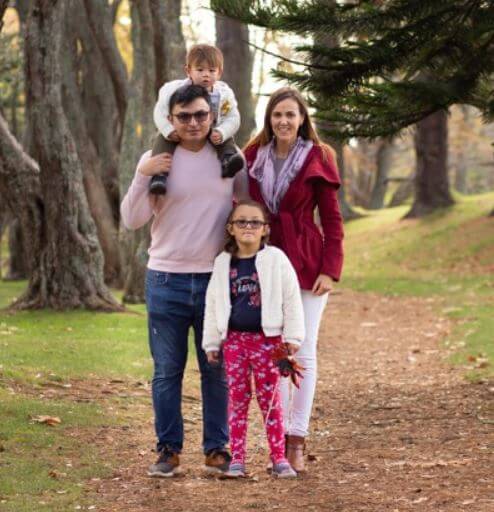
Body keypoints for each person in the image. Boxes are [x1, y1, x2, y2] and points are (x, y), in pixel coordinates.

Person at [120, 84, 248, 478]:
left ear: (212, 116)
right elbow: (131, 219)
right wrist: (143, 176)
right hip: (165, 279)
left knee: (216, 369)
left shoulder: (230, 159)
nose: (193, 123)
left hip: (215, 281)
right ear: (171, 121)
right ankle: (168, 450)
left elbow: (245, 214)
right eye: (184, 117)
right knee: (167, 370)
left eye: (200, 115)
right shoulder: (157, 158)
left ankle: (217, 450)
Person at [243, 87, 344, 473]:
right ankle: (277, 439)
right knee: (274, 352)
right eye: (277, 114)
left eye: (291, 114)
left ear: (302, 119)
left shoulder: (318, 158)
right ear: (269, 119)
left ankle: (297, 439)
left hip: (306, 263)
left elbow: (332, 220)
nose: (284, 121)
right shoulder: (253, 157)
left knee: (302, 350)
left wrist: (329, 269)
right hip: (265, 261)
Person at [202, 200, 305, 478]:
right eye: (241, 222)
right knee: (237, 399)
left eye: (255, 222)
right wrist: (212, 342)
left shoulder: (276, 260)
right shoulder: (223, 263)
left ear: (265, 229)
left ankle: (278, 458)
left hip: (268, 342)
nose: (248, 227)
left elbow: (292, 299)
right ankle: (237, 458)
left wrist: (293, 337)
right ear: (230, 228)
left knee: (270, 400)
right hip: (235, 342)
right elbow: (213, 304)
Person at [150, 44, 244, 195]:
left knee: (226, 140)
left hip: (212, 130)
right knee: (162, 140)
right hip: (184, 130)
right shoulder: (174, 90)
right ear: (188, 71)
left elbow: (233, 117)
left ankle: (228, 161)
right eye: (200, 70)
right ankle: (159, 177)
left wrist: (222, 131)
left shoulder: (224, 94)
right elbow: (159, 112)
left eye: (212, 70)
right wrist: (169, 130)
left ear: (219, 73)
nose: (206, 75)